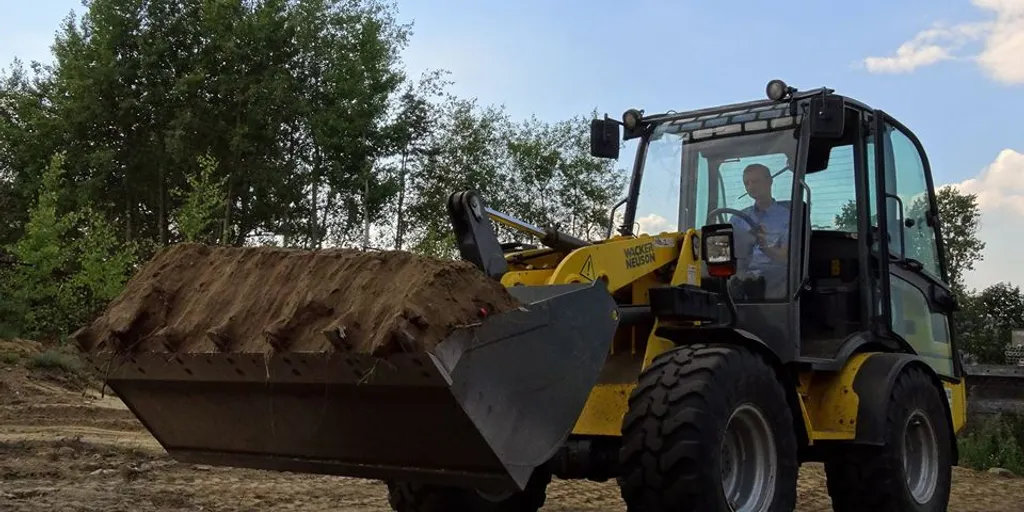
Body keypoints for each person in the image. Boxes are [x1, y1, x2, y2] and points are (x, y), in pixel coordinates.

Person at [729, 163, 790, 298]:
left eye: (755, 181)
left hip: (773, 280)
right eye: (746, 183)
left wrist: (764, 246)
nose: (750, 187)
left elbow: (785, 258)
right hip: (740, 275)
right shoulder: (737, 218)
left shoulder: (788, 217)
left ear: (770, 181)